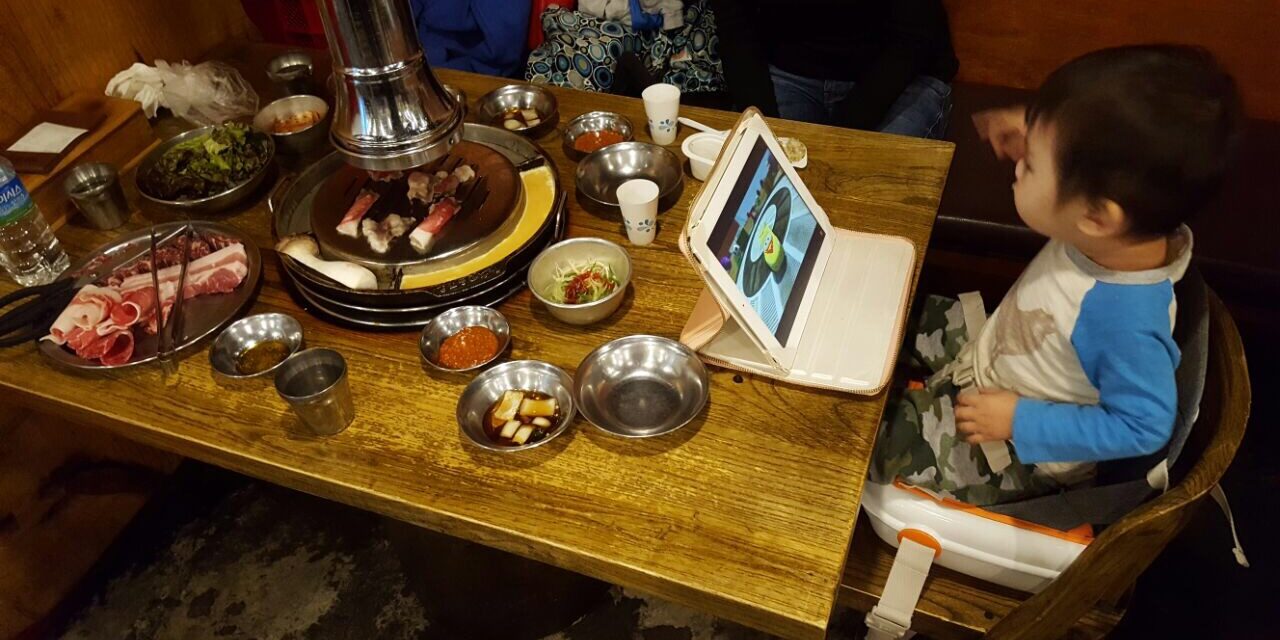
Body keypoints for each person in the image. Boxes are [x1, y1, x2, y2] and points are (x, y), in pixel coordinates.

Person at [869, 45, 1241, 506]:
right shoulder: (1123, 231)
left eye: (1033, 163)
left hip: (1015, 444)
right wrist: (1042, 133)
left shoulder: (1124, 321)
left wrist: (1019, 420)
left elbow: (1143, 426)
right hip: (999, 351)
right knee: (880, 304)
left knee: (860, 442)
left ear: (1096, 217)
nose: (1018, 164)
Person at [710, 0, 957, 139]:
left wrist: (839, 135)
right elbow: (735, 27)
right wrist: (768, 133)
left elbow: (914, 38)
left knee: (866, 188)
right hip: (790, 72)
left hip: (901, 78)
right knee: (760, 179)